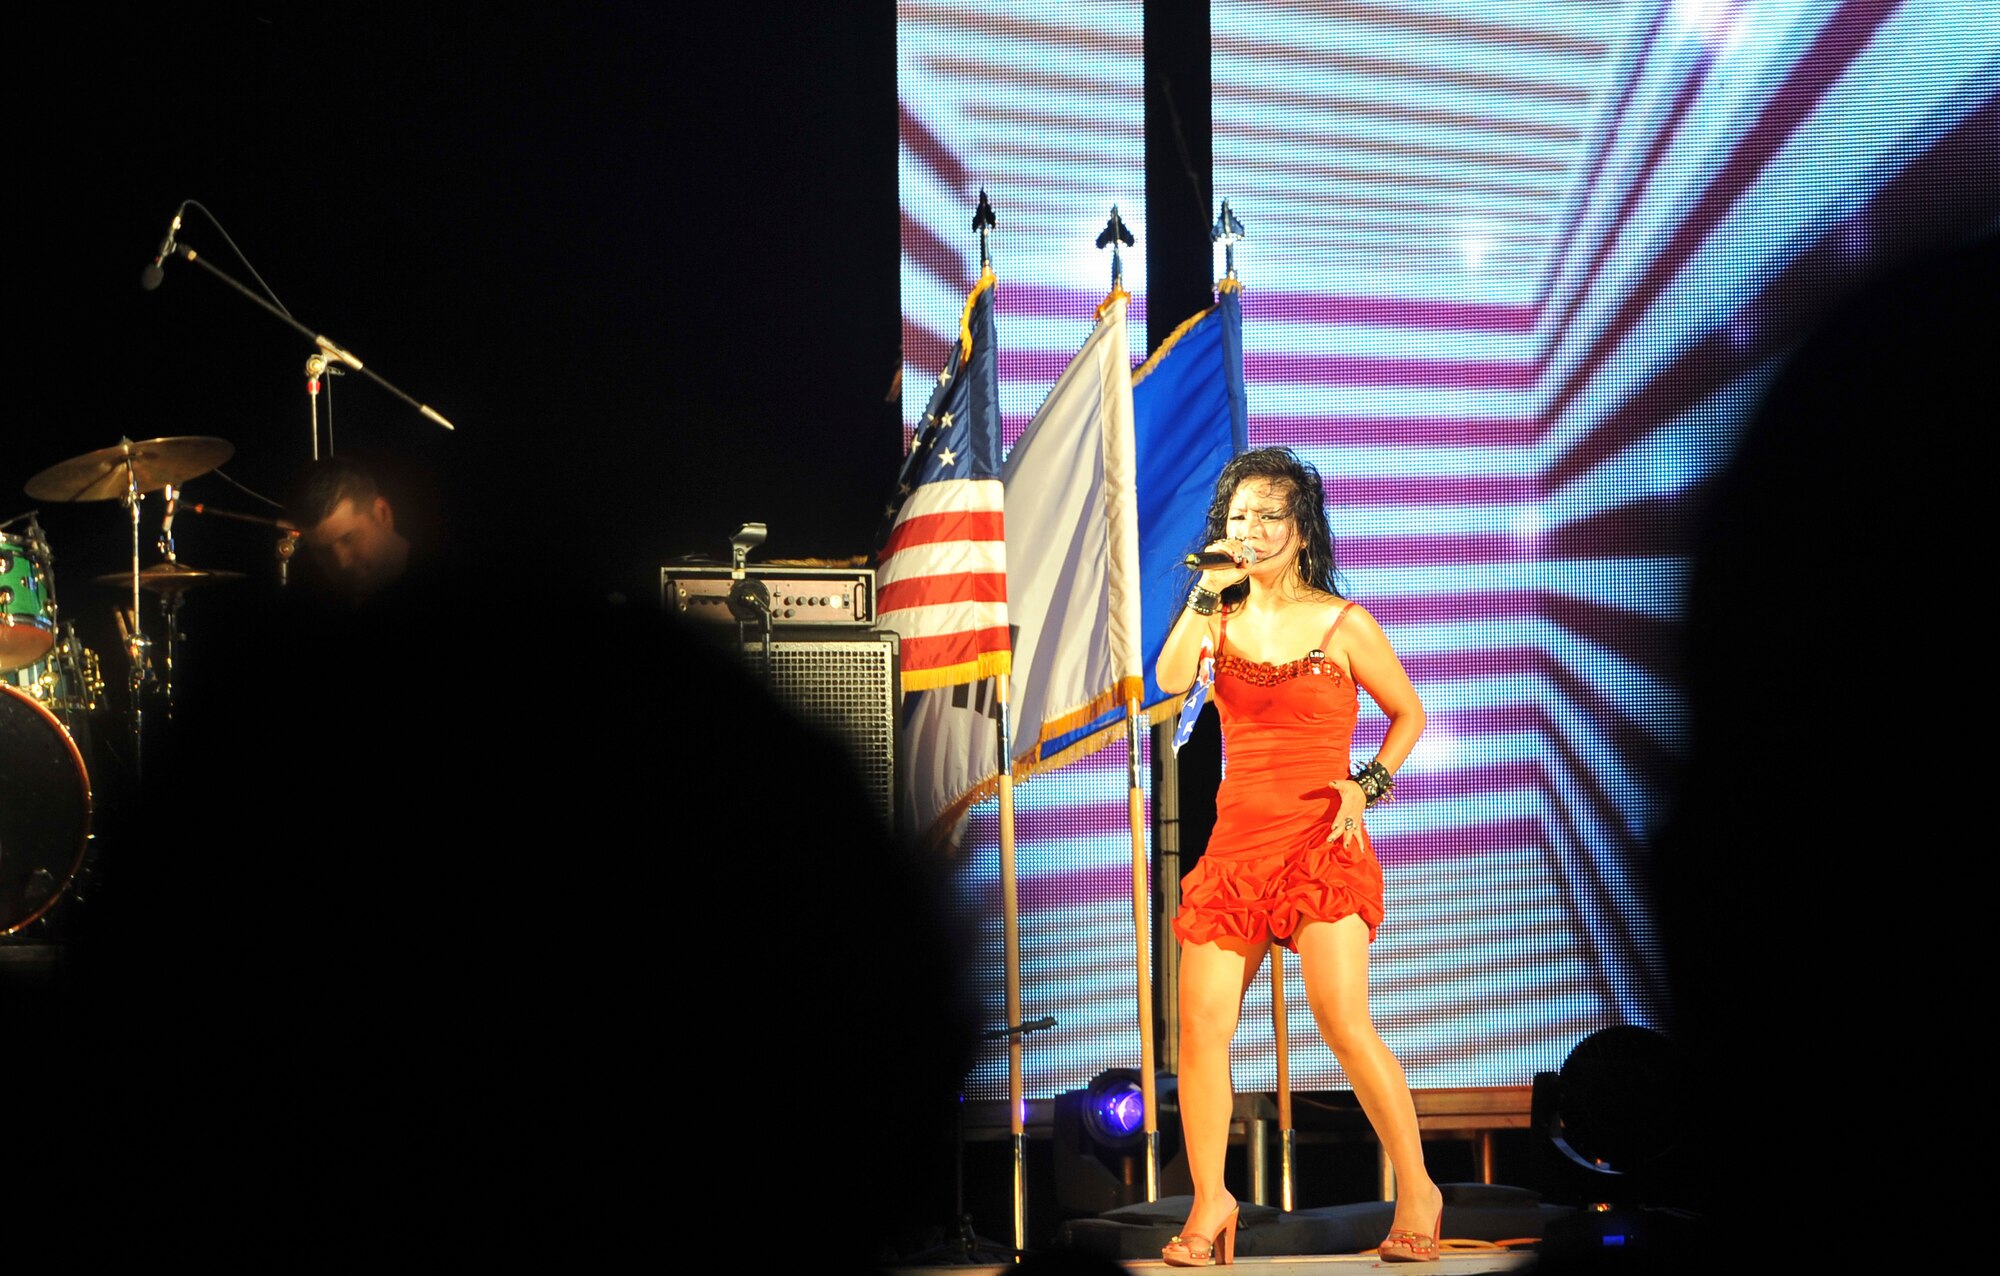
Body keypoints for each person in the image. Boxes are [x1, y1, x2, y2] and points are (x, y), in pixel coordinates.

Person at [1154, 445, 1440, 1266]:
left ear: (1302, 528)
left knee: (1343, 1021)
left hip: (1321, 842)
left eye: (1268, 515)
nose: (1251, 529)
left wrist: (1368, 785)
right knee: (1202, 1029)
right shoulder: (1220, 611)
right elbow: (1171, 683)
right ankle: (1213, 1201)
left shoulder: (1345, 622)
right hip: (1237, 845)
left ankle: (1417, 1189)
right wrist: (1206, 595)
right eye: (1238, 516)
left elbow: (1408, 713)